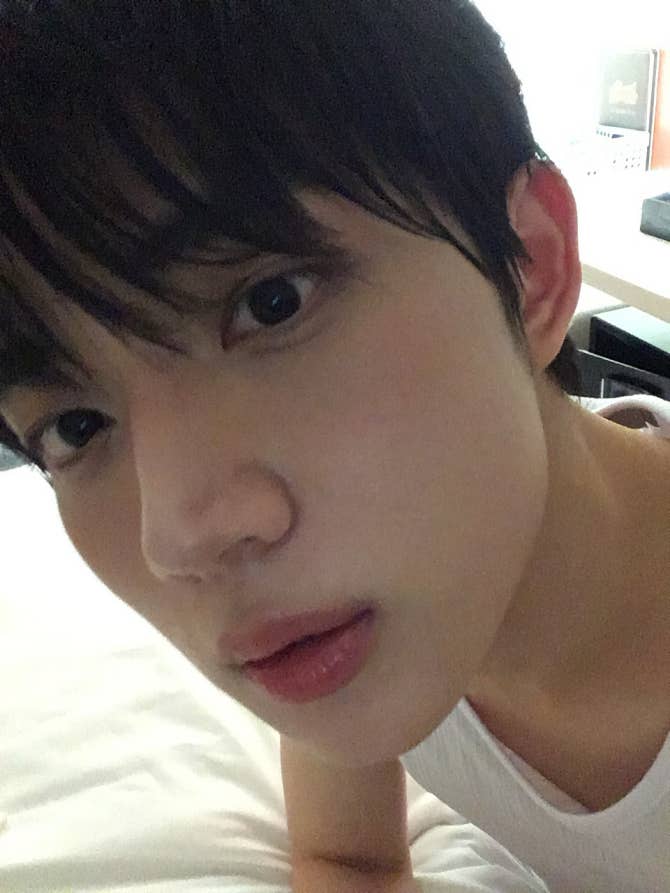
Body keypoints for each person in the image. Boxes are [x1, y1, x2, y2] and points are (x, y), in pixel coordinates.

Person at [0, 2, 668, 891]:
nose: (179, 537)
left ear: (528, 266)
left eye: (271, 304)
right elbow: (348, 857)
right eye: (75, 427)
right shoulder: (372, 624)